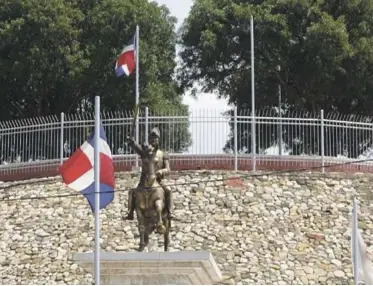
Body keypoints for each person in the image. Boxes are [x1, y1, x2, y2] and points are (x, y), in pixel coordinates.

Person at [125, 127, 174, 220]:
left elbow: (168, 169)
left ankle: (170, 212)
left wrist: (161, 171)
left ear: (159, 140)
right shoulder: (145, 153)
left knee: (168, 190)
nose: (154, 141)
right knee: (132, 190)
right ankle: (130, 212)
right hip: (144, 181)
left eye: (155, 139)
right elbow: (137, 147)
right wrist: (132, 142)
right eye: (152, 139)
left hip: (158, 181)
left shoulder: (163, 154)